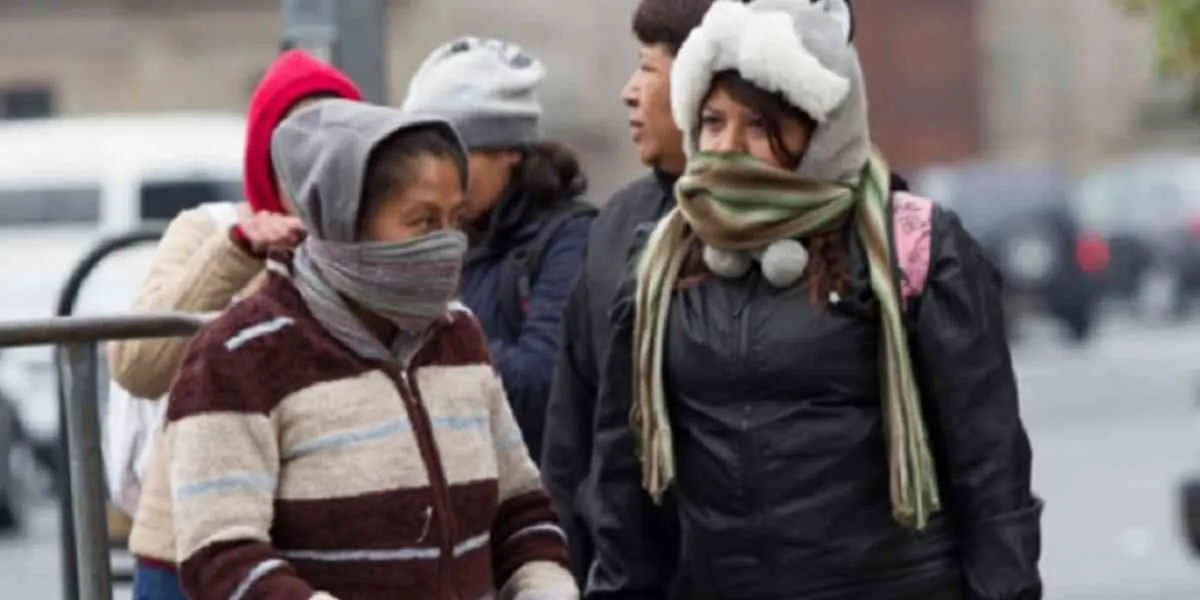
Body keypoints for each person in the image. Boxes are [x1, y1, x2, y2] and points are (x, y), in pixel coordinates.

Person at [588, 1, 1042, 599]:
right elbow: (625, 488)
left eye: (760, 126)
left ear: (820, 130)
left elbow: (990, 471)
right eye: (714, 122)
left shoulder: (912, 248)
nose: (729, 147)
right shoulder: (660, 265)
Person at [166, 99, 577, 600]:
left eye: (456, 219)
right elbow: (221, 554)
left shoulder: (459, 336)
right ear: (344, 222)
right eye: (423, 222)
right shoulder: (238, 356)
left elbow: (520, 510)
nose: (448, 244)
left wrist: (546, 589)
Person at [539, 0, 858, 585]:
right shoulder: (623, 233)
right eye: (714, 121)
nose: (629, 92)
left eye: (648, 69)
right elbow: (583, 438)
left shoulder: (869, 240)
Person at [106, 49, 363, 600]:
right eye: (295, 142)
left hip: (329, 545)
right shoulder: (210, 231)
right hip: (189, 545)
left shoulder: (375, 244)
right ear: (263, 154)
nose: (316, 160)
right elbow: (135, 365)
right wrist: (238, 254)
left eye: (337, 140)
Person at [400, 37, 594, 461]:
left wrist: (426, 315)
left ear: (509, 150)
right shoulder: (443, 236)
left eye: (455, 156)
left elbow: (541, 388)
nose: (436, 178)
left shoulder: (570, 240)